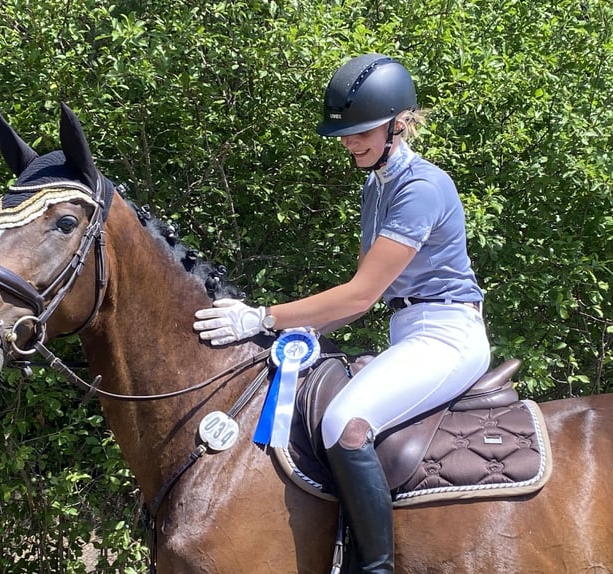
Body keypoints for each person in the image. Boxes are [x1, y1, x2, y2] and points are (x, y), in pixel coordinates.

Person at [193, 53, 491, 573]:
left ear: (400, 124)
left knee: (344, 423)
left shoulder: (421, 188)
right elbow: (365, 301)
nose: (351, 142)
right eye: (346, 134)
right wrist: (284, 336)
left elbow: (358, 295)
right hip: (409, 330)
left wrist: (261, 317)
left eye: (363, 131)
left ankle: (375, 569)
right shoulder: (376, 188)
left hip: (449, 334)